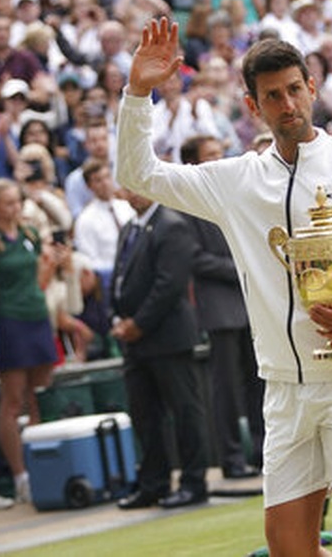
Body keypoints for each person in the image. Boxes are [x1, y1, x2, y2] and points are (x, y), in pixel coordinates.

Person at [117, 18, 332, 555]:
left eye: (293, 90)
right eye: (272, 96)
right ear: (251, 106)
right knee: (287, 546)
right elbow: (137, 174)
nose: (287, 104)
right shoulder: (235, 181)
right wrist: (139, 92)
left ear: (312, 88)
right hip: (283, 389)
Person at [112, 187, 212, 510]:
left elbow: (169, 284)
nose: (135, 192)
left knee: (185, 410)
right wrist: (119, 319)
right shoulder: (130, 228)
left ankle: (194, 482)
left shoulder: (171, 224)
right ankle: (153, 483)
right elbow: (120, 280)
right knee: (145, 415)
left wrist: (138, 323)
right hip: (135, 340)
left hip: (167, 336)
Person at [179, 135, 263, 479]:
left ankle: (261, 452)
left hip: (250, 305)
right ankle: (231, 459)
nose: (219, 159)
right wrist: (241, 268)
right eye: (210, 155)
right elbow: (194, 258)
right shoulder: (183, 201)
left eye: (220, 153)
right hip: (218, 308)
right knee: (225, 389)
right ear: (193, 164)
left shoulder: (233, 193)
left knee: (259, 383)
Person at [0, 178, 57, 503]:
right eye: (8, 202)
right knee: (12, 400)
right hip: (10, 323)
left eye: (17, 201)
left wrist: (49, 267)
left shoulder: (31, 235)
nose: (15, 208)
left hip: (37, 317)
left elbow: (39, 280)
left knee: (38, 395)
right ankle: (21, 476)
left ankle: (43, 466)